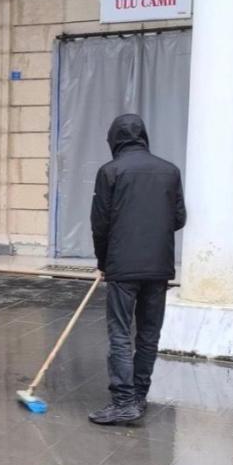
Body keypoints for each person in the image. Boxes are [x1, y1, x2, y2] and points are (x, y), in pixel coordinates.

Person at [88, 114, 186, 425]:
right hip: (158, 266)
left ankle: (123, 401)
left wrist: (103, 262)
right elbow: (179, 219)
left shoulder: (110, 171)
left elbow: (100, 223)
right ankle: (139, 396)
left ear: (114, 139)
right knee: (148, 334)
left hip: (122, 265)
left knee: (120, 333)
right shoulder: (170, 171)